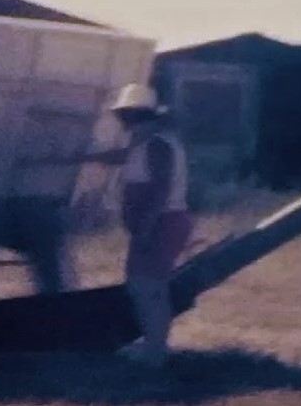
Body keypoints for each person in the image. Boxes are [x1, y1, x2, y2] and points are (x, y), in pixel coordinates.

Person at [38, 82, 193, 367]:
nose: (122, 122)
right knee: (144, 287)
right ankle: (153, 346)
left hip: (160, 223)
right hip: (155, 224)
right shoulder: (147, 142)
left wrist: (145, 229)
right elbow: (122, 158)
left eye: (125, 116)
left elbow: (160, 189)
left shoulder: (157, 145)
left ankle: (156, 353)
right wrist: (78, 158)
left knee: (148, 288)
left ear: (136, 115)